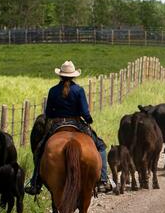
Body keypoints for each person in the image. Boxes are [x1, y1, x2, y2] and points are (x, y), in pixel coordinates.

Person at [24, 60, 112, 195]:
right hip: (77, 123)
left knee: (40, 150)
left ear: (60, 75)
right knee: (100, 147)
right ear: (74, 76)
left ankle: (35, 182)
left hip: (57, 124)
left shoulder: (53, 91)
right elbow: (85, 112)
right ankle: (103, 180)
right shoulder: (79, 90)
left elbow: (48, 113)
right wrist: (88, 120)